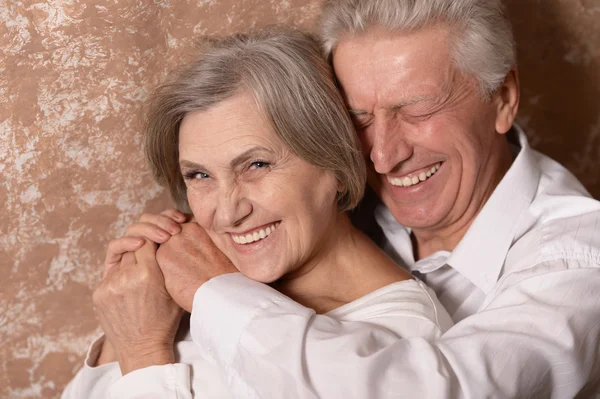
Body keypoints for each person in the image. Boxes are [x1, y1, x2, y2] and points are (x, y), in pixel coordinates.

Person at [118, 0, 600, 398]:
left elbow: (441, 391)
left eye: (418, 110)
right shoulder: (319, 214)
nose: (384, 156)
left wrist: (209, 295)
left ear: (503, 97)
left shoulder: (577, 260)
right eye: (360, 118)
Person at [61, 27, 454, 398]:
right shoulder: (180, 284)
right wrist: (127, 317)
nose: (228, 212)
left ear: (335, 162)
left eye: (257, 165)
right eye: (199, 175)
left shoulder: (404, 343)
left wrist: (143, 353)